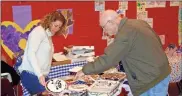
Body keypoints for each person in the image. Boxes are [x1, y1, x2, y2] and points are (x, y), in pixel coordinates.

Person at [75, 10, 171, 96]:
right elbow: (157, 41)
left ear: (111, 22)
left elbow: (109, 59)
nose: (104, 31)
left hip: (151, 79)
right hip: (160, 72)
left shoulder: (125, 33)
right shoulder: (139, 23)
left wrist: (84, 70)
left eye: (104, 27)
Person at [18, 11, 67, 95]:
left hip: (40, 74)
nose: (57, 29)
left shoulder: (48, 35)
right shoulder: (38, 32)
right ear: (49, 21)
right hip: (31, 73)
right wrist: (40, 74)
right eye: (55, 25)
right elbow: (31, 53)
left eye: (59, 27)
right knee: (45, 94)